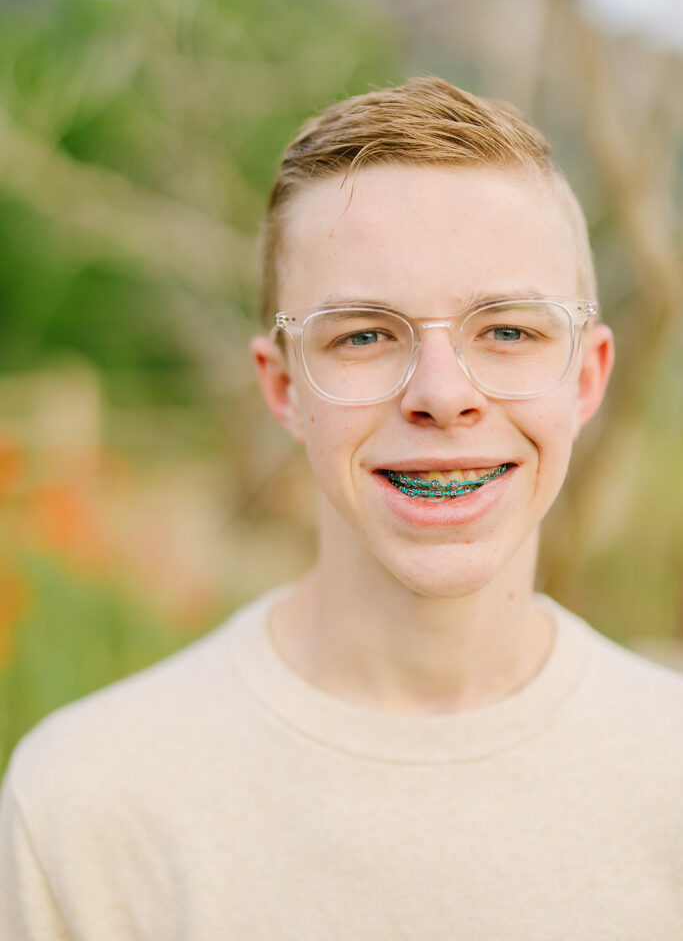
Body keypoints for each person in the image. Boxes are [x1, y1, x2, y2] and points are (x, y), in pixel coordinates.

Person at [1, 77, 681, 940]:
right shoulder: (89, 804)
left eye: (508, 330)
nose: (442, 395)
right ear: (283, 387)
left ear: (585, 376)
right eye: (362, 333)